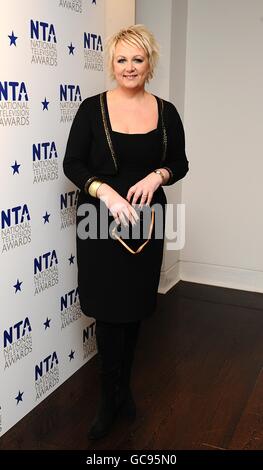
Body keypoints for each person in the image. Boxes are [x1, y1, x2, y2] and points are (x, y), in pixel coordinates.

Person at [63, 24, 189, 440]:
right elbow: (72, 164)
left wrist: (158, 176)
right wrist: (106, 194)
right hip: (99, 223)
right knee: (108, 310)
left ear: (149, 63)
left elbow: (180, 163)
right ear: (112, 64)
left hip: (146, 223)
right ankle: (107, 398)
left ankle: (123, 391)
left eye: (138, 59)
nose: (129, 67)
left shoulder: (166, 111)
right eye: (121, 59)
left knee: (134, 309)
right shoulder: (90, 108)